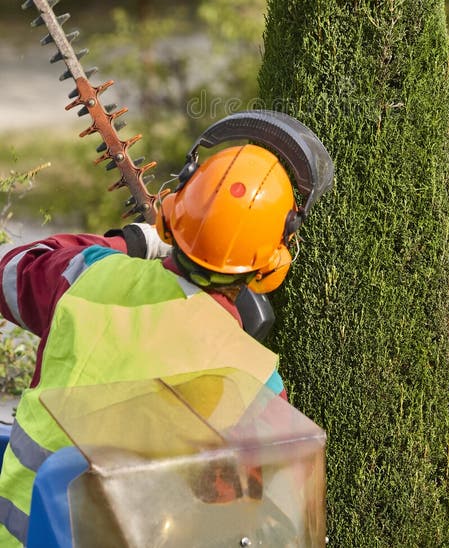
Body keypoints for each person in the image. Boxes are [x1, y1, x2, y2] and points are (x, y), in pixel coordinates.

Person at [0, 110, 334, 547]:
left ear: (176, 210)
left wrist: (133, 244)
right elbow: (251, 519)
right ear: (272, 261)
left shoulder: (87, 278)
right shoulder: (256, 381)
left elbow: (11, 272)